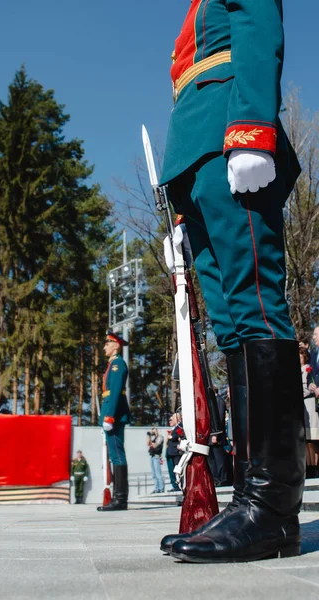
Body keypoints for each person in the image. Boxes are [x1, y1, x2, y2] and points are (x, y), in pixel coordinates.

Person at [158, 1, 305, 563]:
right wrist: (178, 210)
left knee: (256, 308)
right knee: (230, 326)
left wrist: (252, 130)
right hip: (196, 154)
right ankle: (250, 497)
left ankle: (271, 505)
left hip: (228, 136)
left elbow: (258, 24)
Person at [97, 329, 130, 511]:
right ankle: (118, 498)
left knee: (117, 454)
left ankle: (120, 499)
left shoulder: (118, 364)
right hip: (111, 414)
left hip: (114, 415)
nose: (104, 347)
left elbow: (116, 391)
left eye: (107, 343)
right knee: (114, 454)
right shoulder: (112, 364)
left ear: (115, 345)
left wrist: (109, 416)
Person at [300, 348, 319, 478]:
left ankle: (316, 467)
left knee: (313, 436)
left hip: (310, 403)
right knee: (306, 439)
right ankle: (309, 467)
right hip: (301, 406)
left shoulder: (308, 369)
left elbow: (309, 387)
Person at [165, 413, 182, 492]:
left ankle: (178, 485)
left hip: (175, 452)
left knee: (177, 469)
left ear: (177, 419)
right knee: (171, 470)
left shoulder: (179, 427)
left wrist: (171, 437)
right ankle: (174, 485)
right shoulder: (172, 429)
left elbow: (179, 435)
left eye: (172, 419)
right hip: (170, 452)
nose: (170, 421)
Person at [148, 426, 165, 493]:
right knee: (154, 474)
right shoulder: (153, 438)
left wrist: (152, 442)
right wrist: (149, 436)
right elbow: (148, 444)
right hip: (152, 456)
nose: (153, 431)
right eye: (152, 429)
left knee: (158, 474)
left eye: (154, 429)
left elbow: (155, 445)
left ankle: (161, 488)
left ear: (157, 430)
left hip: (157, 456)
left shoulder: (160, 437)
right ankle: (156, 488)